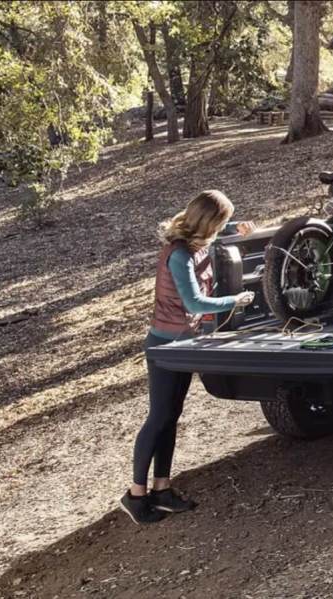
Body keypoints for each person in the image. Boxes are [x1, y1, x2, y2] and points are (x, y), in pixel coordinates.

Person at [120, 190, 255, 524]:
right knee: (158, 417)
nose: (221, 228)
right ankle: (135, 495)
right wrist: (235, 300)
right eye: (221, 222)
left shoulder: (197, 242)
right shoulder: (179, 255)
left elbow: (221, 234)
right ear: (208, 222)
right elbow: (194, 303)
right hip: (164, 345)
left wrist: (239, 228)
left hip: (183, 344)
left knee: (171, 415)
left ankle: (162, 489)